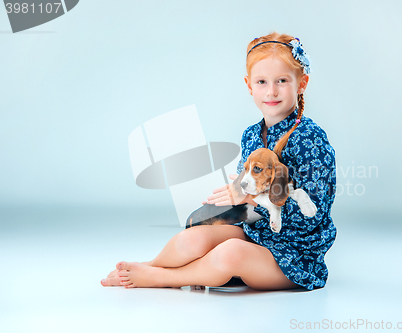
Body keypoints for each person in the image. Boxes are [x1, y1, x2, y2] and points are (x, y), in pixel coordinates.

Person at [101, 32, 337, 291]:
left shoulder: (311, 139)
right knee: (194, 238)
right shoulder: (251, 135)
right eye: (261, 82)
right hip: (258, 234)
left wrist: (249, 199)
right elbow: (247, 198)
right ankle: (152, 265)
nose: (271, 91)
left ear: (301, 83)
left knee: (230, 252)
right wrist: (231, 201)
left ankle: (161, 278)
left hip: (295, 254)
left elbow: (313, 216)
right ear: (249, 85)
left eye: (282, 80)